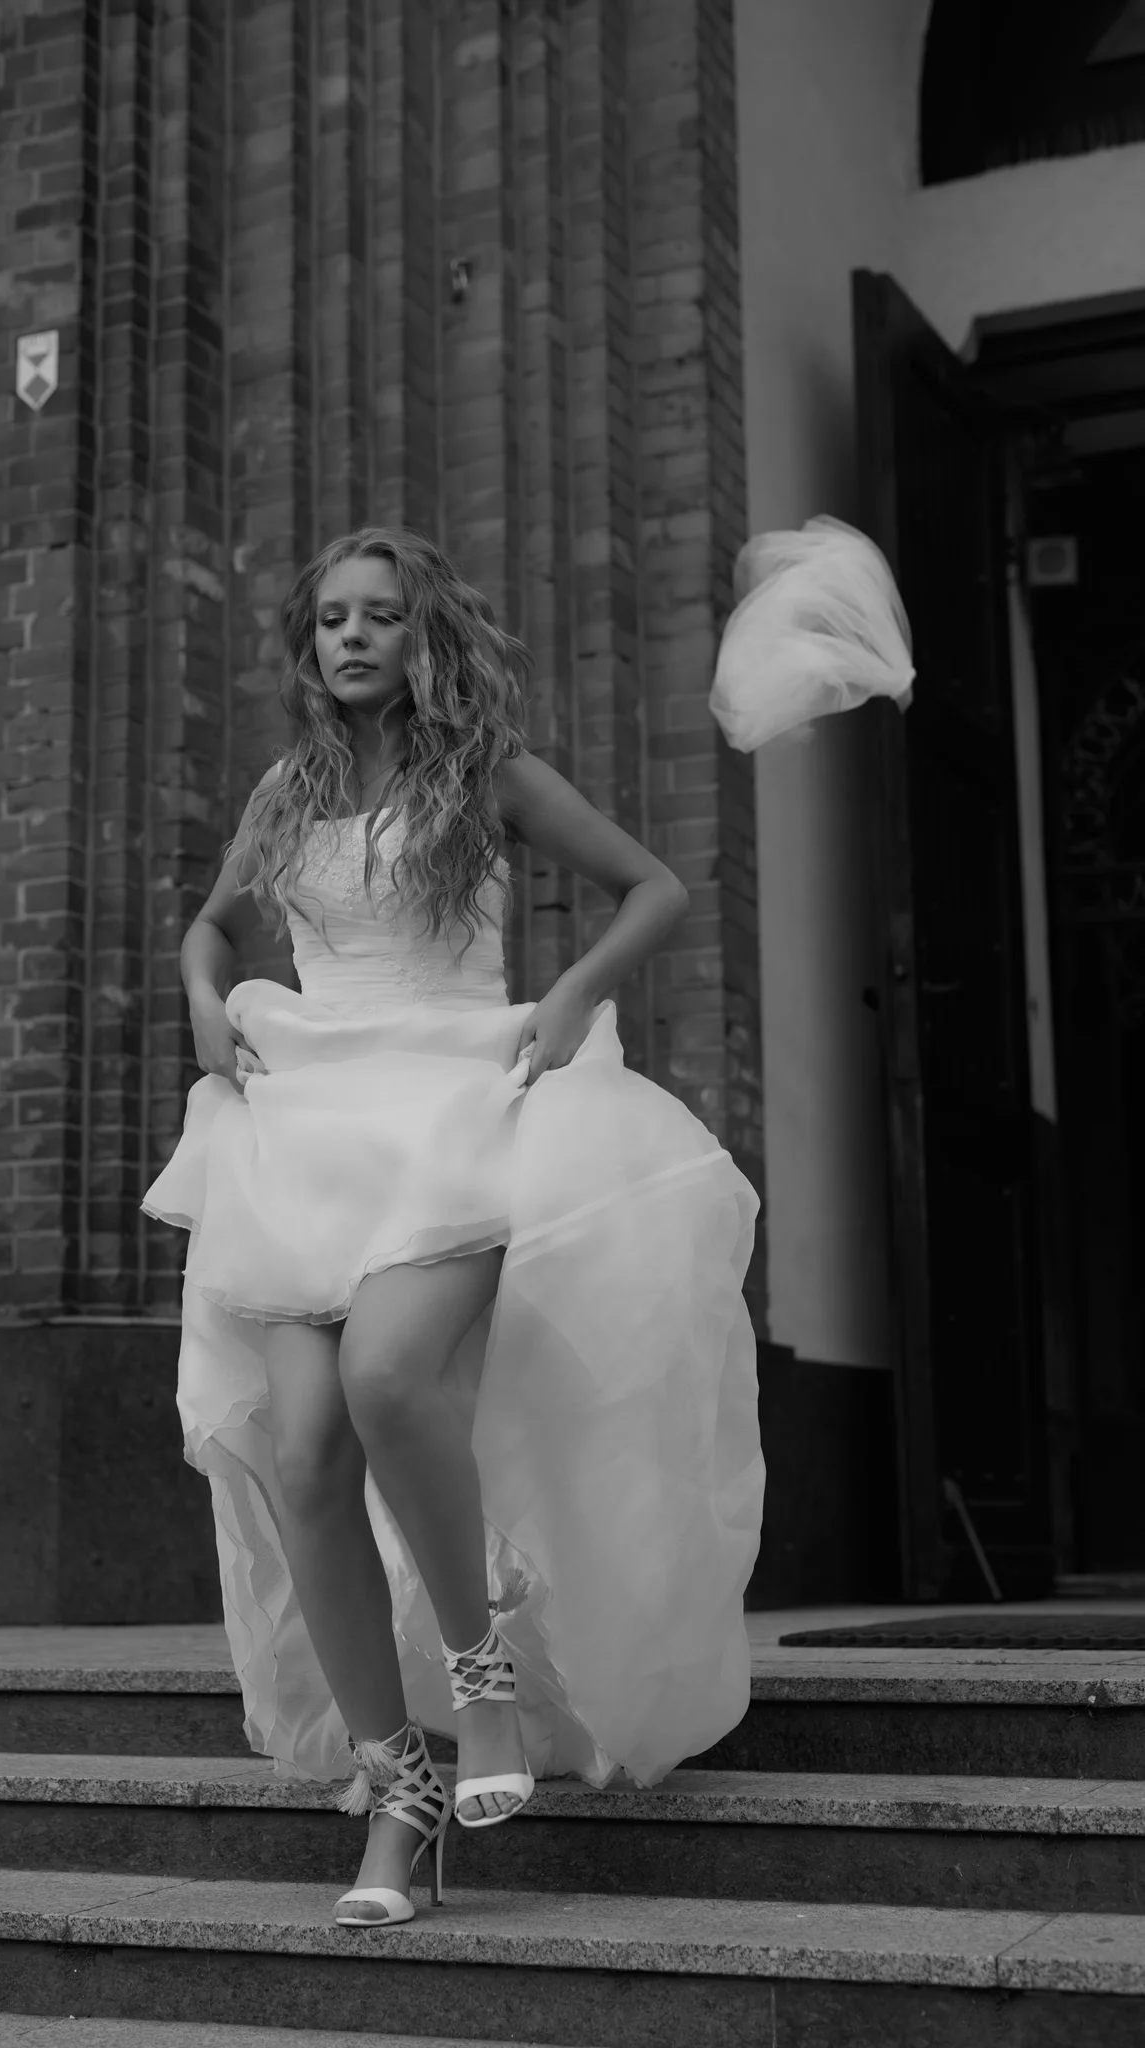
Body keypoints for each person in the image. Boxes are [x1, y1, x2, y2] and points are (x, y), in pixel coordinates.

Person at [143, 527, 763, 1928]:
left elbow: (656, 886)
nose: (354, 640)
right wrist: (200, 991)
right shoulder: (290, 791)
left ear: (430, 639)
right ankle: (395, 1794)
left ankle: (481, 1687)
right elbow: (215, 926)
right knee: (301, 1451)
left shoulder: (488, 778)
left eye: (383, 619)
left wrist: (569, 997)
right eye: (332, 622)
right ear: (308, 646)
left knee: (384, 1377)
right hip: (303, 1129)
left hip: (454, 1117)